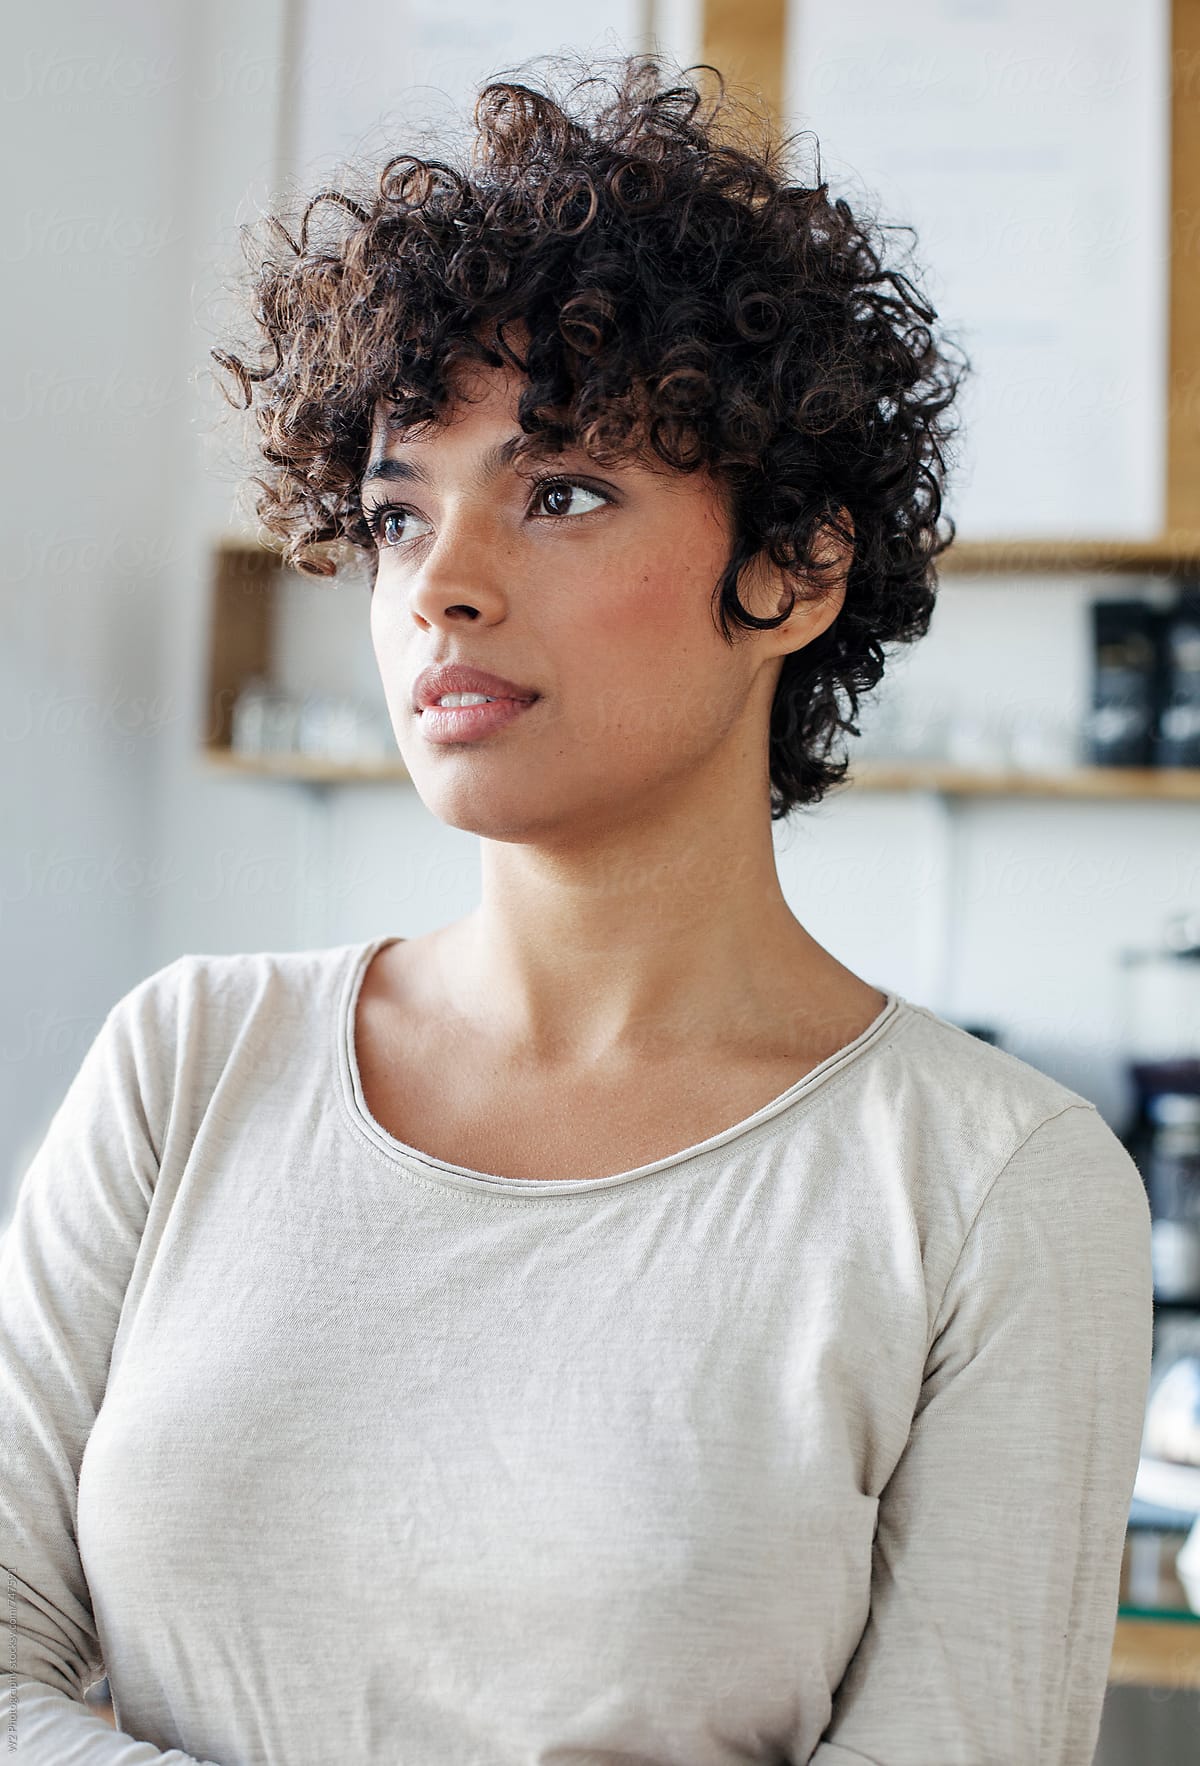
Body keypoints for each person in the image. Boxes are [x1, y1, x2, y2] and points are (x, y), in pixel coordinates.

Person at [0, 52, 1152, 1766]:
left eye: (561, 493)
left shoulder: (991, 1192)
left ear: (796, 569)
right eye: (398, 512)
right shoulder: (188, 1063)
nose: (441, 585)